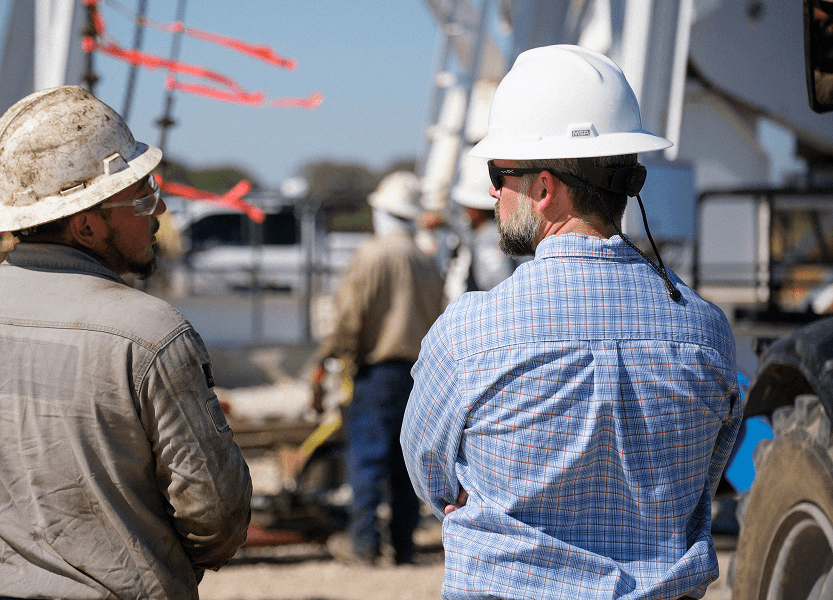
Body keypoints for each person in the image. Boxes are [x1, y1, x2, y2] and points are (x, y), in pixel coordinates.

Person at [401, 45, 742, 599]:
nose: (491, 191)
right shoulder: (706, 331)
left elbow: (430, 475)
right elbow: (708, 471)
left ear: (544, 189)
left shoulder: (468, 333)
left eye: (498, 173)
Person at [0, 86, 253, 600]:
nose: (159, 208)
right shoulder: (149, 335)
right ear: (86, 225)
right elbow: (217, 514)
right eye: (142, 196)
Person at [311, 170, 445, 566]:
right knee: (406, 465)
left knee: (368, 459)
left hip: (378, 373)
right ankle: (402, 547)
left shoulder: (372, 255)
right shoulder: (426, 261)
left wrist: (326, 359)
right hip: (420, 375)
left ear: (383, 211)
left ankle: (364, 545)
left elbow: (349, 319)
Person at [453, 193, 515, 292]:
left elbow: (497, 281)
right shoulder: (481, 233)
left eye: (467, 209)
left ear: (475, 211)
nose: (465, 213)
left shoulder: (490, 238)